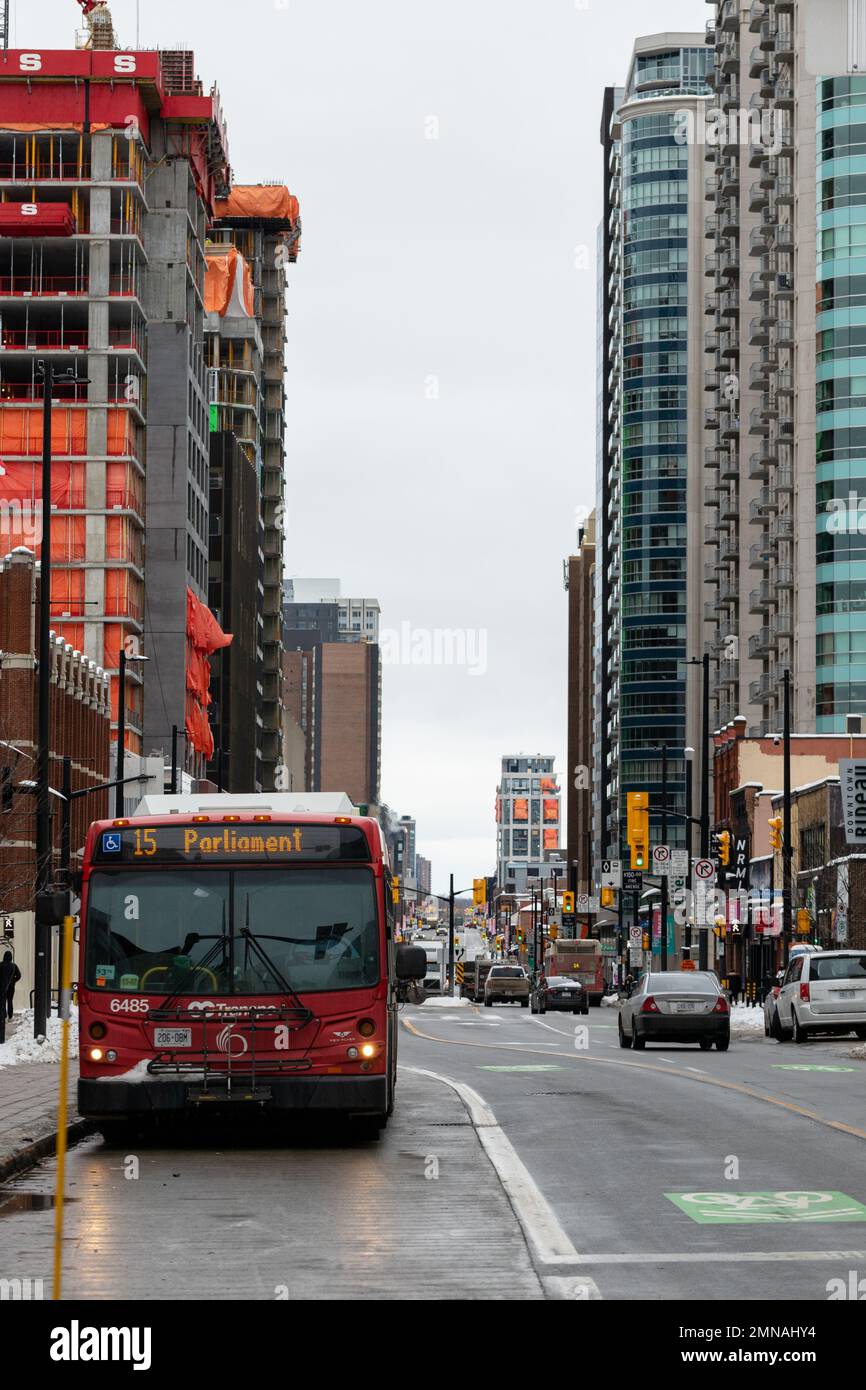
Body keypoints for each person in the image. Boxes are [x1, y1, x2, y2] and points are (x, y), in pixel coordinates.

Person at [0, 950, 20, 1044]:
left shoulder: (1, 965)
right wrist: (13, 981)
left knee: (2, 1002)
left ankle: (3, 1017)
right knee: (10, 1001)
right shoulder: (13, 966)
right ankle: (10, 1017)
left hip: (1, 987)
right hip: (11, 987)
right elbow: (19, 976)